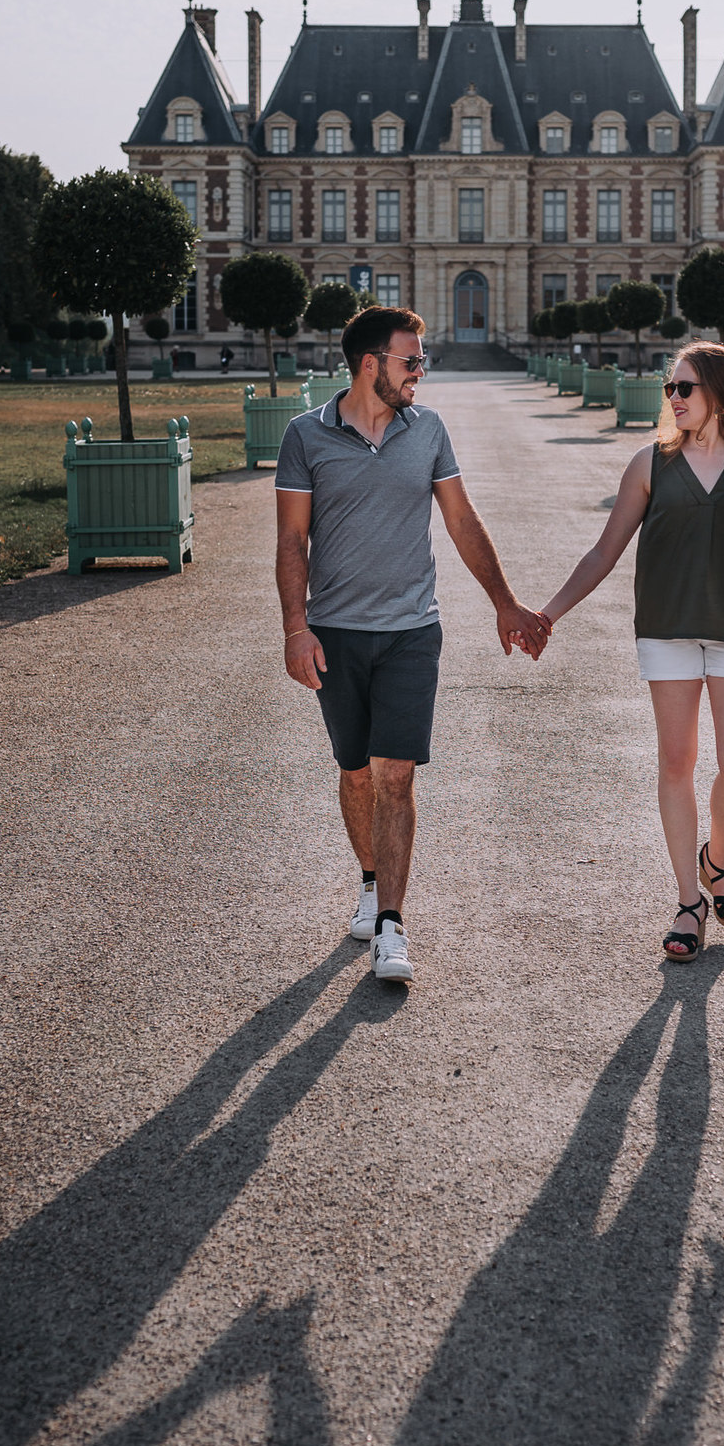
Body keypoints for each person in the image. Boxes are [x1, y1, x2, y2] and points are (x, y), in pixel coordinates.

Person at [275, 305, 548, 983]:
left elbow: (461, 519)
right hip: (335, 633)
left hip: (411, 631)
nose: (420, 371)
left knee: (396, 773)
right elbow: (291, 540)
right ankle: (371, 883)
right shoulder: (305, 435)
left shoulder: (427, 429)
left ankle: (391, 926)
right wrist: (294, 627)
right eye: (411, 360)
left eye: (421, 360)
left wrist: (504, 601)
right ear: (370, 363)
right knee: (356, 771)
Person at [538, 341, 724, 962]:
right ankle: (689, 902)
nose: (674, 398)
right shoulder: (649, 464)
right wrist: (548, 615)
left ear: (720, 394)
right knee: (677, 762)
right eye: (670, 389)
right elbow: (603, 552)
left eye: (685, 388)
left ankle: (716, 859)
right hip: (666, 629)